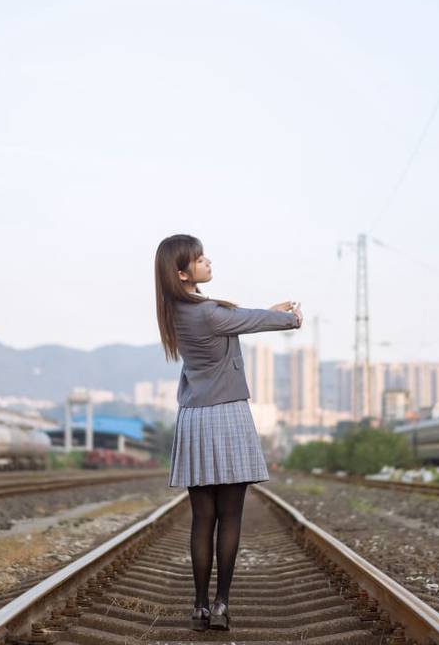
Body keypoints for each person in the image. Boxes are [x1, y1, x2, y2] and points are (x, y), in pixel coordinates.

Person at [153, 234, 302, 632]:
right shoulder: (209, 312)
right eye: (199, 259)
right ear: (182, 273)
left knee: (202, 518)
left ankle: (199, 607)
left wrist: (267, 311)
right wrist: (291, 318)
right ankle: (221, 604)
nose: (207, 262)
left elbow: (243, 317)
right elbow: (249, 321)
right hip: (228, 417)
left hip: (194, 419)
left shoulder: (173, 311)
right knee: (231, 515)